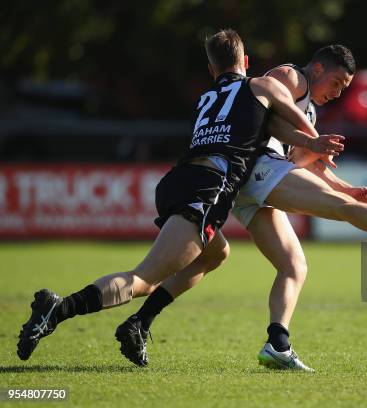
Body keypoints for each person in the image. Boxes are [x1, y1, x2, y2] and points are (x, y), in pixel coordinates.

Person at [116, 45, 367, 371]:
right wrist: (326, 167)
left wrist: (346, 186)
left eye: (346, 87)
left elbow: (301, 160)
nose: (339, 92)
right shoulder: (291, 77)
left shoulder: (309, 106)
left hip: (249, 183)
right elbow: (267, 121)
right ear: (317, 67)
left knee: (293, 265)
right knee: (339, 209)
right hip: (255, 167)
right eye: (337, 82)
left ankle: (274, 344)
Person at [15, 29, 345, 362]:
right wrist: (317, 145)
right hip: (207, 188)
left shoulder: (205, 99)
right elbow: (288, 122)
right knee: (142, 279)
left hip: (178, 181)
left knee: (216, 254)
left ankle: (139, 323)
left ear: (210, 70)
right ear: (246, 62)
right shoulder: (258, 87)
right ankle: (56, 311)